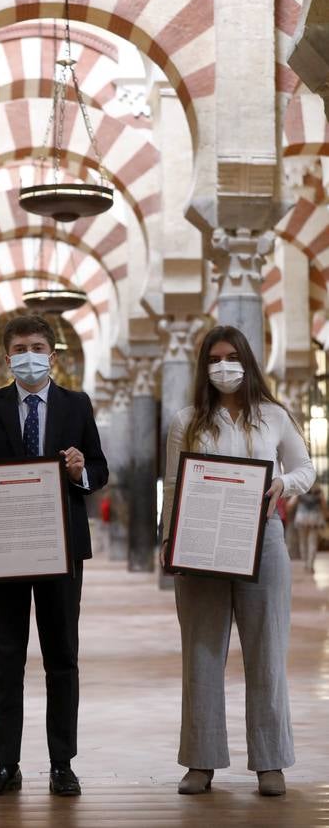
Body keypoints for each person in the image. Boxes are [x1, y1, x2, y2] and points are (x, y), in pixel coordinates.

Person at [161, 325, 315, 798]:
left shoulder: (273, 416)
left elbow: (305, 468)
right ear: (204, 366)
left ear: (246, 361)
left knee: (266, 651)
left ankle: (270, 762)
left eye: (231, 357)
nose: (223, 366)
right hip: (199, 545)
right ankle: (201, 762)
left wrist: (281, 486)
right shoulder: (187, 420)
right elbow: (172, 487)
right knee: (203, 654)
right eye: (214, 358)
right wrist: (170, 547)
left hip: (263, 541)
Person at [0, 314, 108, 798]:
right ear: (7, 358)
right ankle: (6, 763)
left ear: (53, 355)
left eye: (37, 346)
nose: (29, 354)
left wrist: (80, 469)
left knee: (62, 656)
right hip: (4, 550)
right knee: (5, 657)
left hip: (60, 550)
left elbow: (100, 471)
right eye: (20, 347)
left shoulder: (76, 405)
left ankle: (62, 763)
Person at [292, 482, 327, 572]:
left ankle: (305, 563)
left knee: (302, 541)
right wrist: (325, 515)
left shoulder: (301, 489)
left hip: (301, 518)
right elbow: (323, 504)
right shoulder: (319, 491)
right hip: (314, 519)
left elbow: (291, 503)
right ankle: (310, 564)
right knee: (312, 542)